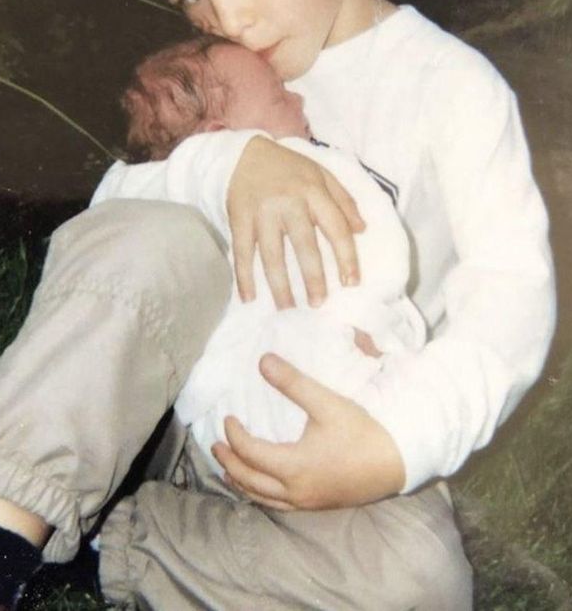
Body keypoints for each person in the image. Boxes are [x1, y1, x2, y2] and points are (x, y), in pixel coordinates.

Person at [0, 0, 555, 611]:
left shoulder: (452, 88)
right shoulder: (218, 79)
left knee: (420, 585)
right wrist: (224, 162)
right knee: (151, 231)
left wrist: (391, 445)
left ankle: (101, 546)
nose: (227, 19)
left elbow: (508, 304)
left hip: (329, 430)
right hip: (160, 411)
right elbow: (110, 220)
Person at [110, 35, 427, 474]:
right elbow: (377, 248)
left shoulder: (174, 197)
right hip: (308, 371)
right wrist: (382, 327)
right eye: (279, 98)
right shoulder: (290, 166)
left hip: (229, 422)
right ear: (222, 139)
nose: (297, 99)